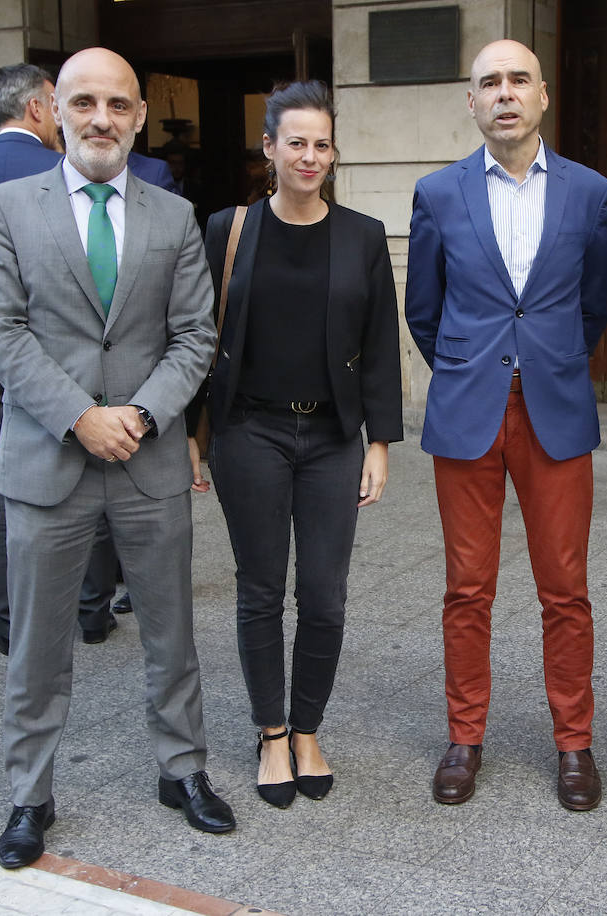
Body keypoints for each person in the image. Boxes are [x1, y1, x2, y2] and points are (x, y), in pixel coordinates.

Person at [0, 46, 229, 870]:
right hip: (50, 461)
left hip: (148, 462)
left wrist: (145, 415)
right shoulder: (5, 208)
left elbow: (196, 336)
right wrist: (81, 417)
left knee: (170, 632)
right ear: (54, 110)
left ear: (140, 116)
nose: (100, 120)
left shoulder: (174, 217)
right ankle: (30, 793)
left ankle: (182, 768)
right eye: (83, 103)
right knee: (38, 641)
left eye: (117, 105)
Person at [405, 39, 607, 811]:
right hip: (468, 412)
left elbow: (595, 304)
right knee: (468, 588)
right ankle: (464, 736)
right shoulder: (438, 192)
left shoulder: (590, 193)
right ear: (471, 102)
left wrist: (548, 359)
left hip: (554, 411)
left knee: (566, 590)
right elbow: (423, 309)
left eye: (517, 80)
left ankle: (574, 743)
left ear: (543, 95)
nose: (504, 93)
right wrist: (470, 365)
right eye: (488, 82)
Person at [200, 80, 403, 808]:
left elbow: (380, 344)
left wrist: (381, 441)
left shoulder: (361, 235)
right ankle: (272, 731)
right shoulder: (229, 229)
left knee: (324, 595)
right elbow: (201, 338)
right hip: (249, 429)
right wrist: (198, 436)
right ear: (269, 149)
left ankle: (309, 726)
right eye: (296, 143)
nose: (310, 156)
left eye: (322, 143)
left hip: (331, 436)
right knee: (260, 589)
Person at [0, 63, 130, 653]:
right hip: (80, 361)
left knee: (5, 485)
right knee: (90, 479)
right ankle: (91, 610)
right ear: (45, 107)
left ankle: (9, 618)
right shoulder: (68, 171)